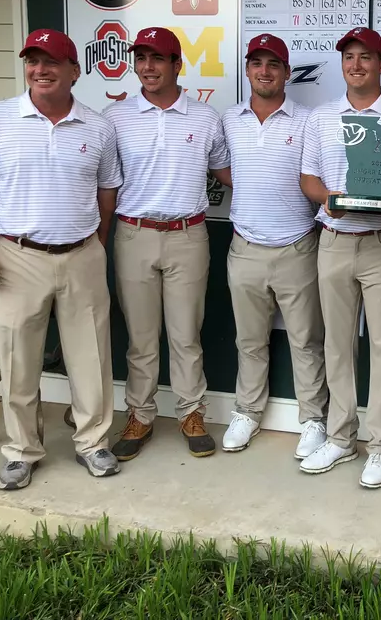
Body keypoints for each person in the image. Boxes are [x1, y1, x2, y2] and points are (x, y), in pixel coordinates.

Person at [0, 28, 122, 489]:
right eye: (32, 61)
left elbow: (107, 191)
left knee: (90, 356)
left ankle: (93, 443)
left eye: (51, 62)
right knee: (18, 360)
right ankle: (22, 450)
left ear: (74, 70)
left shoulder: (98, 126)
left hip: (83, 253)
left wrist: (98, 244)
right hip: (16, 256)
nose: (40, 70)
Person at [298, 27, 381, 489]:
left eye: (366, 58)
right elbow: (309, 178)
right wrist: (329, 198)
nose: (356, 65)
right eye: (349, 57)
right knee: (337, 343)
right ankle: (339, 436)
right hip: (333, 239)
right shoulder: (321, 117)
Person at [104, 27, 231, 460]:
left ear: (178, 64)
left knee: (185, 335)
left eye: (157, 58)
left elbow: (226, 173)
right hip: (134, 234)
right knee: (140, 338)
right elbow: (102, 183)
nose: (147, 67)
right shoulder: (114, 117)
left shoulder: (205, 117)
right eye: (140, 58)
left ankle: (190, 412)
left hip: (187, 235)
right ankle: (140, 415)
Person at [220, 34, 328, 457]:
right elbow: (223, 169)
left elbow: (316, 176)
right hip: (244, 246)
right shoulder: (228, 119)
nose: (264, 71)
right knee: (249, 339)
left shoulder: (308, 120)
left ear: (286, 72)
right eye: (256, 63)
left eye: (273, 64)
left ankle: (313, 419)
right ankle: (247, 411)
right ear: (248, 70)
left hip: (297, 245)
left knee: (306, 341)